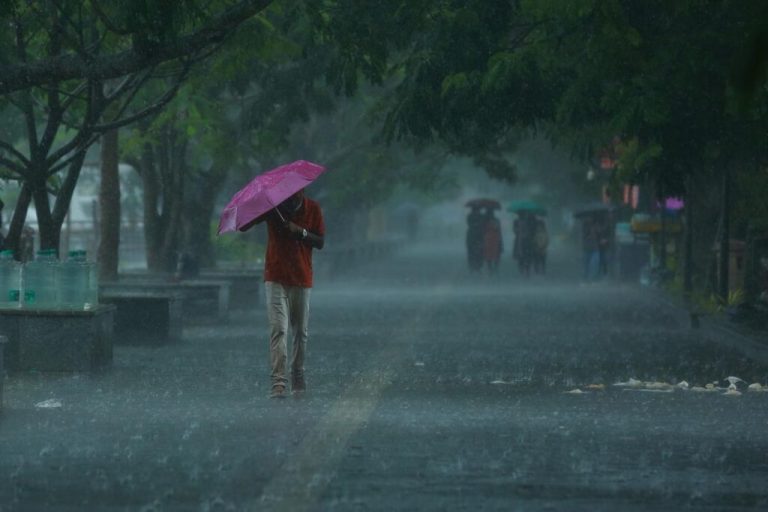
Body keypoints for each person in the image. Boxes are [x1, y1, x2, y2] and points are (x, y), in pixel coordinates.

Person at [240, 189, 325, 399]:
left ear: (302, 193)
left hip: (302, 277)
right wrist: (256, 206)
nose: (291, 198)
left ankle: (297, 372)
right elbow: (244, 226)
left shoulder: (313, 208)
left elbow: (320, 242)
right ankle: (278, 381)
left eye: (296, 195)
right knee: (279, 329)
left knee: (300, 331)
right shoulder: (273, 208)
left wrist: (301, 232)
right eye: (288, 195)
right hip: (275, 275)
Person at [482, 209, 503, 274]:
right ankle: (495, 268)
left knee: (489, 254)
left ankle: (490, 268)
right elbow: (498, 230)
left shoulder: (485, 221)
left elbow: (483, 230)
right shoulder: (496, 220)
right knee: (496, 253)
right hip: (495, 238)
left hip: (488, 239)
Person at [466, 206, 484, 273]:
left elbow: (483, 224)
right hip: (472, 237)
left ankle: (478, 266)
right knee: (472, 252)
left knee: (479, 252)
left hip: (478, 236)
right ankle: (472, 266)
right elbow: (469, 223)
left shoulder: (481, 216)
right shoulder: (470, 216)